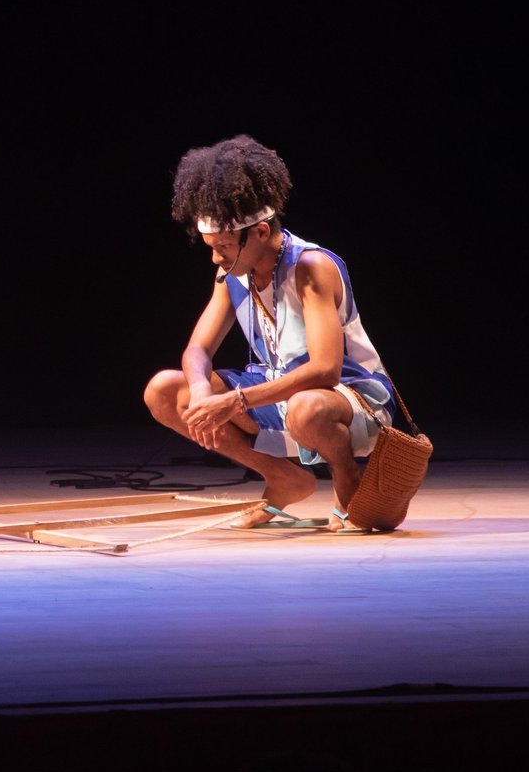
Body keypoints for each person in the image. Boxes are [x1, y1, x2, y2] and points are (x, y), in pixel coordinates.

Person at [143, 134, 399, 531]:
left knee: (306, 408)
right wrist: (199, 392)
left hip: (349, 399)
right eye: (211, 247)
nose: (216, 257)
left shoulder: (311, 267)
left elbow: (326, 370)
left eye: (224, 246)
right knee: (163, 389)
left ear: (260, 232)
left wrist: (235, 402)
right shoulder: (231, 273)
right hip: (277, 391)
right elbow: (198, 348)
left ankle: (347, 476)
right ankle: (282, 477)